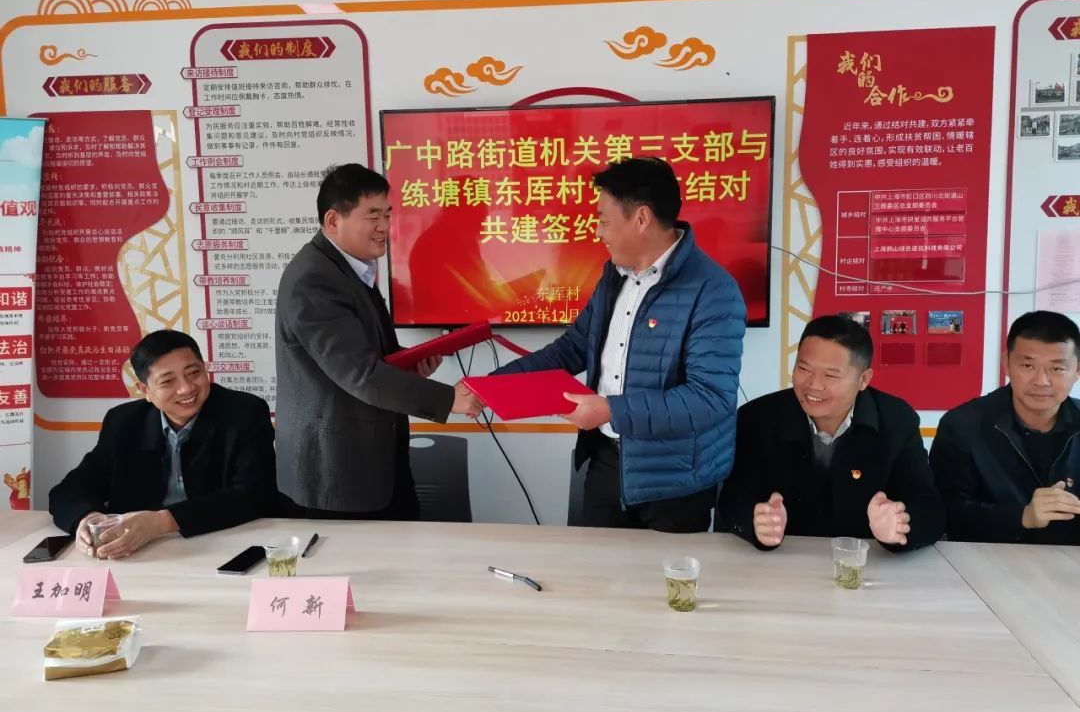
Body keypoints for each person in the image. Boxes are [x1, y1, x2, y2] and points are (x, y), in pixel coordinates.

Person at [493, 156, 746, 532]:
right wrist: (494, 385)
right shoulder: (615, 274)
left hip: (675, 479)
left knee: (663, 573)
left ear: (641, 218)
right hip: (607, 463)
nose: (598, 231)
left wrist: (611, 410)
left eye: (604, 220)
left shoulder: (713, 291)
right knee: (597, 567)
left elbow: (709, 397)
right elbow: (573, 347)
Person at [275, 163, 480, 520]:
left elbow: (364, 355)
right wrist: (448, 400)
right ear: (333, 220)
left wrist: (408, 364)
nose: (385, 226)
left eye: (387, 214)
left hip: (373, 461)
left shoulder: (349, 268)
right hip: (336, 475)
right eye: (373, 216)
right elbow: (361, 375)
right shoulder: (314, 280)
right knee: (356, 557)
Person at [719, 315, 944, 551]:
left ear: (863, 380)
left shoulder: (896, 420)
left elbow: (929, 508)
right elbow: (733, 497)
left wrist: (900, 526)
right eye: (804, 368)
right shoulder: (758, 417)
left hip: (864, 562)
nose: (814, 385)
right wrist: (756, 523)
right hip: (782, 560)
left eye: (831, 375)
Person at [49, 330, 279, 559]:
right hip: (144, 553)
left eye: (194, 373)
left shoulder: (244, 413)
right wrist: (87, 518)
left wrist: (163, 521)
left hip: (226, 542)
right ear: (145, 390)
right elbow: (69, 489)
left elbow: (254, 494)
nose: (186, 388)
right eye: (168, 381)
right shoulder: (124, 422)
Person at [930, 310, 1080, 544]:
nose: (1041, 381)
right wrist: (1022, 517)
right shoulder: (962, 426)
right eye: (1028, 366)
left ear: (1077, 370)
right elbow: (944, 514)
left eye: (1057, 369)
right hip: (986, 559)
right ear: (1006, 364)